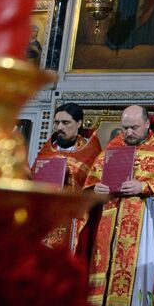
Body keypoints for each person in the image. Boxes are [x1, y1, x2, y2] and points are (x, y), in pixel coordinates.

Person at [78, 105, 154, 306]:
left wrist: (144, 186)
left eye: (134, 127)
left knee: (138, 276)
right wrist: (95, 188)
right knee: (103, 273)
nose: (128, 133)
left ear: (146, 123)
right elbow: (93, 179)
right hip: (109, 219)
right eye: (125, 128)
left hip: (143, 222)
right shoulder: (114, 147)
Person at [32, 101, 103, 251]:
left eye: (65, 122)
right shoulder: (46, 151)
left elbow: (93, 186)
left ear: (79, 123)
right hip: (44, 218)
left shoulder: (91, 153)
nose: (60, 128)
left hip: (73, 219)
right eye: (56, 123)